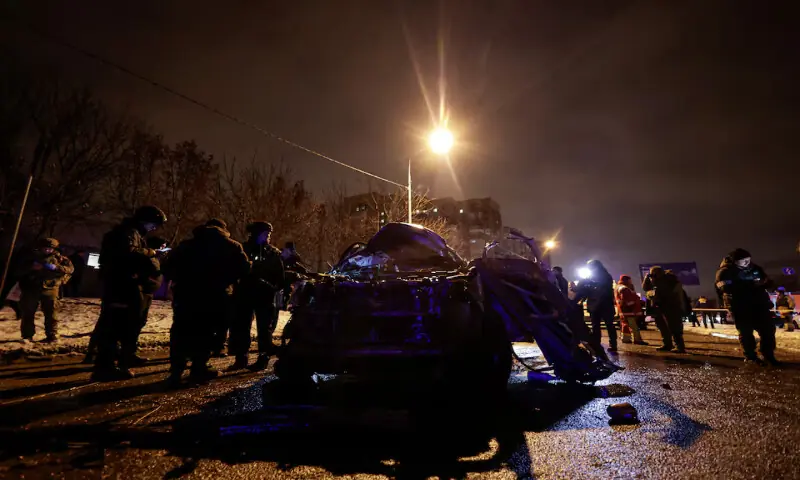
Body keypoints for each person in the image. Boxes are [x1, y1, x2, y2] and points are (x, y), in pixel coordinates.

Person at [162, 220, 250, 385]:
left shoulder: (186, 245)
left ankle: (176, 370)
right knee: (206, 332)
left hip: (186, 296)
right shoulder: (232, 246)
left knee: (181, 332)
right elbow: (244, 269)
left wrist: (182, 281)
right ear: (223, 230)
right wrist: (225, 281)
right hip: (215, 297)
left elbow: (167, 267)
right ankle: (199, 368)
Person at [92, 205, 167, 381]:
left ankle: (117, 360)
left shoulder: (132, 234)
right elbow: (129, 254)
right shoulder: (127, 233)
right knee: (116, 326)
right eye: (153, 224)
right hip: (122, 286)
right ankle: (105, 367)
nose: (154, 228)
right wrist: (152, 253)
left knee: (125, 325)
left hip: (124, 285)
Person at [228, 221, 285, 371]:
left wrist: (273, 286)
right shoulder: (243, 249)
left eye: (269, 234)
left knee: (264, 328)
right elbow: (236, 269)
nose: (268, 236)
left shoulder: (272, 252)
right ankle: (241, 358)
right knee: (241, 327)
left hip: (264, 295)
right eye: (266, 234)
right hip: (245, 293)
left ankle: (263, 358)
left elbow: (279, 276)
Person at [716, 248, 778, 366]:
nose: (746, 262)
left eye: (748, 259)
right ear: (735, 261)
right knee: (746, 332)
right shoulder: (725, 272)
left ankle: (768, 355)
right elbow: (724, 288)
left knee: (768, 330)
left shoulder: (755, 268)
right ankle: (750, 356)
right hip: (740, 306)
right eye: (743, 260)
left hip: (759, 305)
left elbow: (767, 281)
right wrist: (749, 284)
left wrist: (766, 283)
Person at [16, 238, 74, 342]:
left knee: (51, 313)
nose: (47, 251)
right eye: (45, 248)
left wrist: (56, 268)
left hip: (51, 288)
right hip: (31, 287)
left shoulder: (59, 258)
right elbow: (18, 269)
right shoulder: (31, 256)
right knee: (28, 312)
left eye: (49, 249)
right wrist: (31, 267)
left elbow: (70, 269)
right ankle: (27, 335)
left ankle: (51, 335)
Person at [573, 260, 618, 353]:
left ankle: (610, 344)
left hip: (602, 305)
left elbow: (602, 291)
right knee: (600, 326)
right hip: (598, 305)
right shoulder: (592, 277)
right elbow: (584, 290)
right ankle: (599, 344)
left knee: (606, 325)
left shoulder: (604, 277)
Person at [643, 266, 686, 353]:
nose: (652, 275)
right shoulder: (654, 280)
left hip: (671, 306)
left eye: (653, 273)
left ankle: (679, 346)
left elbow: (666, 291)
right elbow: (645, 288)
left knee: (674, 327)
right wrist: (646, 278)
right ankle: (667, 344)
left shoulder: (669, 279)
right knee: (662, 326)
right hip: (659, 307)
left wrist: (655, 281)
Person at [615, 275, 648, 345]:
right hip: (629, 311)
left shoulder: (618, 287)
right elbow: (628, 300)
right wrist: (638, 302)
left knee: (625, 325)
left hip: (623, 311)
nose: (631, 281)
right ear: (627, 280)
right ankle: (637, 339)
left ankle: (626, 339)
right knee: (634, 327)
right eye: (630, 280)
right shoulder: (625, 288)